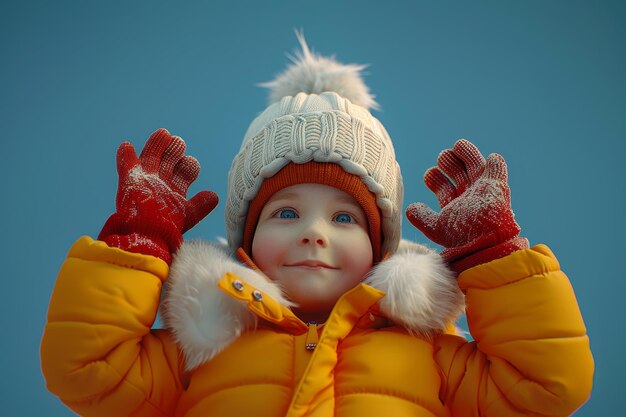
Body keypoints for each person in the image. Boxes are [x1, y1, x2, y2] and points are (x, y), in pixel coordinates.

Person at [41, 35, 593, 417]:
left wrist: (495, 256)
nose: (314, 233)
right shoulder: (201, 346)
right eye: (285, 211)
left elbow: (548, 388)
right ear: (247, 240)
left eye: (345, 217)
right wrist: (138, 245)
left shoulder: (428, 354)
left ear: (380, 248)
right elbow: (83, 369)